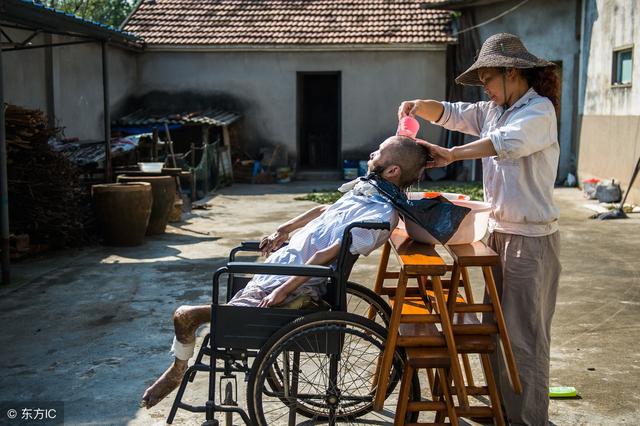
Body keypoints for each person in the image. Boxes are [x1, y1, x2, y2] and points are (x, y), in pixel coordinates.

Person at [141, 135, 430, 409]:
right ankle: (243, 357)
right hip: (280, 269)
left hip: (293, 281)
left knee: (185, 315)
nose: (371, 154)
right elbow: (323, 210)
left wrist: (284, 289)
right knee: (222, 301)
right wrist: (284, 229)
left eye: (378, 152)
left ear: (392, 170)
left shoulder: (381, 215)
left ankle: (178, 370)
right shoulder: (366, 194)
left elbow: (322, 256)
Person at [398, 32, 562, 425]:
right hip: (497, 233)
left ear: (511, 72)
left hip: (531, 239)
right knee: (498, 332)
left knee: (524, 337)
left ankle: (526, 419)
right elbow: (454, 113)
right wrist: (420, 107)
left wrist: (453, 153)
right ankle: (503, 410)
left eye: (488, 79)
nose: (485, 88)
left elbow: (505, 143)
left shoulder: (538, 112)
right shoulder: (494, 109)